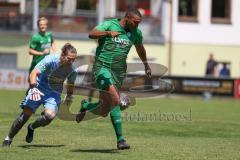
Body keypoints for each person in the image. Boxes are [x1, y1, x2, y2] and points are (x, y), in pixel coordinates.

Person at [76, 8, 152, 150]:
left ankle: (85, 106)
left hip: (119, 72)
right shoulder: (109, 24)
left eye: (139, 23)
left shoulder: (136, 33)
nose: (137, 25)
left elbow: (140, 48)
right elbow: (91, 34)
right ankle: (120, 140)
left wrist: (146, 65)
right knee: (116, 100)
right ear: (127, 18)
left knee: (105, 110)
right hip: (102, 68)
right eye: (135, 22)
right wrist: (107, 33)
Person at [2, 43, 77, 147]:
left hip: (53, 94)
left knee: (49, 116)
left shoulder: (72, 70)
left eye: (74, 59)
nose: (71, 61)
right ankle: (8, 139)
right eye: (69, 58)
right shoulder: (50, 60)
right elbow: (34, 73)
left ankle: (31, 127)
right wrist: (33, 88)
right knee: (25, 116)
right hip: (39, 88)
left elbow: (71, 84)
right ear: (63, 55)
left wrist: (69, 96)